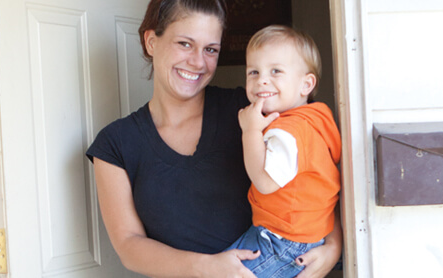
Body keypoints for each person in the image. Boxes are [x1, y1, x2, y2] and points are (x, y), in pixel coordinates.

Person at [85, 1, 342, 277]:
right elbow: (128, 246)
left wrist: (334, 245)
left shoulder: (252, 110)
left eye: (210, 50)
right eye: (185, 43)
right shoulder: (115, 143)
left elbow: (315, 173)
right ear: (151, 42)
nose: (198, 62)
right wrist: (208, 268)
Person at [226, 25, 342, 277]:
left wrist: (250, 132)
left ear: (306, 84)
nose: (262, 80)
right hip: (299, 232)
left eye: (276, 71)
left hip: (284, 240)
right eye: (253, 71)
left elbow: (266, 182)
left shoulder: (287, 131)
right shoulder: (317, 119)